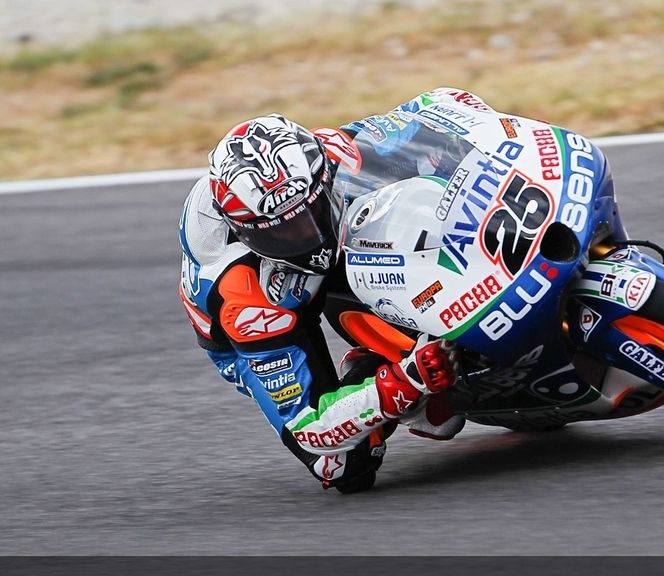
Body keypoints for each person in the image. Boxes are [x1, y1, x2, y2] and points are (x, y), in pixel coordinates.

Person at [178, 88, 487, 493]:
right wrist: (403, 383)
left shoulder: (325, 154)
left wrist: (467, 132)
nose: (310, 236)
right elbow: (310, 428)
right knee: (344, 467)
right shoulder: (244, 297)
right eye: (286, 233)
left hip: (308, 248)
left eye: (312, 212)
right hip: (266, 329)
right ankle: (371, 367)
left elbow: (423, 116)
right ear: (247, 233)